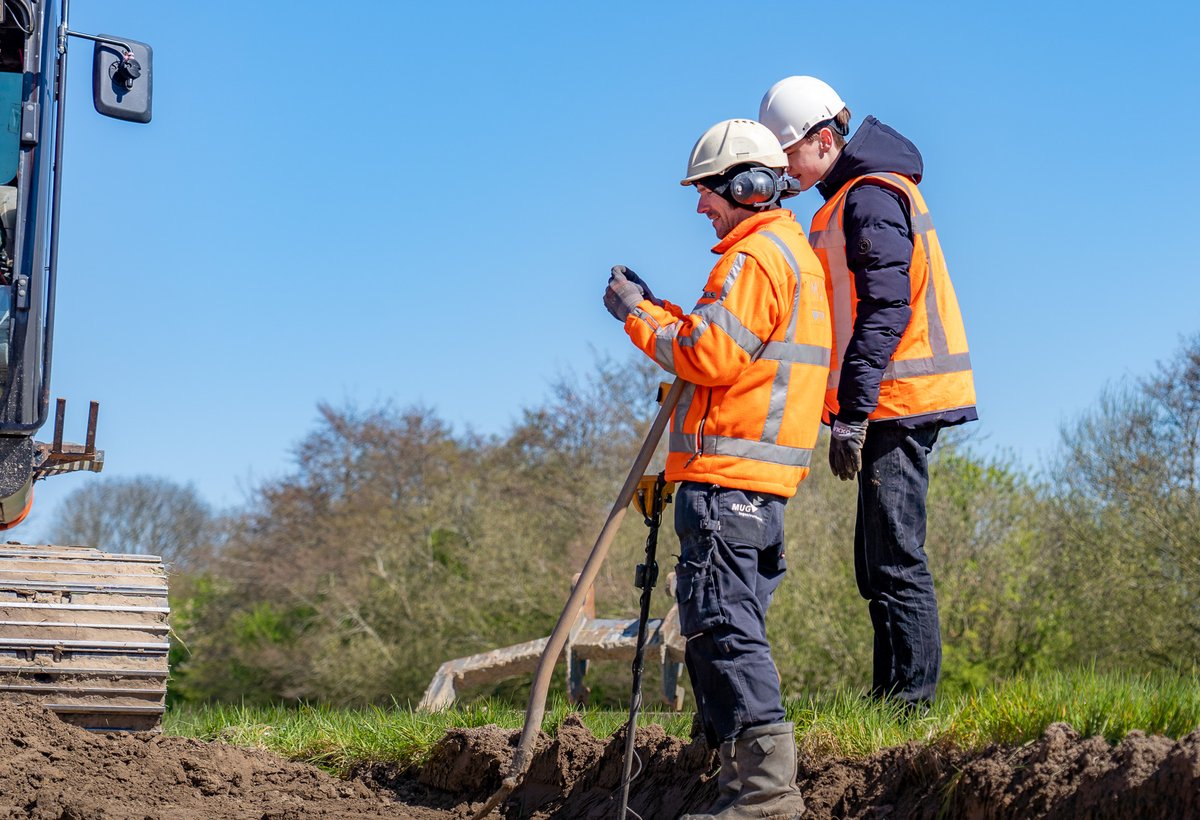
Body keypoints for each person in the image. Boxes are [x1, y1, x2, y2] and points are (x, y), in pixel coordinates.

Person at [603, 118, 830, 820]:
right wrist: (660, 308)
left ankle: (764, 798)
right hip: (751, 488)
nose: (701, 206)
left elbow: (706, 357)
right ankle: (735, 777)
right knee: (719, 624)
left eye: (708, 193)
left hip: (730, 481)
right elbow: (718, 339)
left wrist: (638, 320)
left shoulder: (754, 258)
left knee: (724, 627)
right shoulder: (779, 255)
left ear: (751, 186)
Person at [758, 76, 977, 710]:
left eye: (788, 153)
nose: (783, 169)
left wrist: (852, 413)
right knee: (876, 561)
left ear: (824, 140)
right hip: (886, 401)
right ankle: (890, 702)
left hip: (897, 403)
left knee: (896, 559)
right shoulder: (856, 194)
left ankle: (909, 708)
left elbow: (886, 309)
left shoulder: (870, 198)